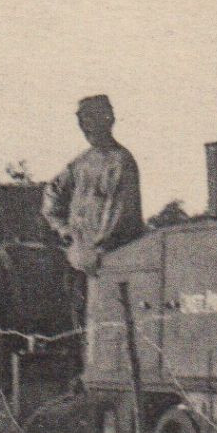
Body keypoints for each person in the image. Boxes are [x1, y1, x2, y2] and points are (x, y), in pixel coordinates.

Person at [41, 94, 145, 323]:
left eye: (91, 121)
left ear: (108, 120)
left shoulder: (121, 162)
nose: (86, 128)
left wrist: (95, 250)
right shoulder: (80, 164)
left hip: (110, 266)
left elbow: (118, 218)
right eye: (82, 123)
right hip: (78, 263)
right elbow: (52, 194)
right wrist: (64, 231)